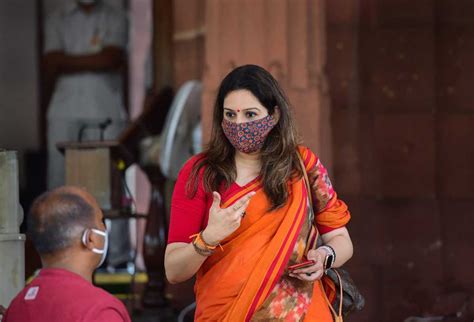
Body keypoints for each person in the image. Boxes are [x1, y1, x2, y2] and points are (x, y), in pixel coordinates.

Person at [164, 65, 353, 321]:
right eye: (230, 115)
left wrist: (324, 257)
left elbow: (342, 239)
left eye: (250, 115)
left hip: (303, 312)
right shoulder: (201, 173)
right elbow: (174, 271)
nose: (239, 124)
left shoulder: (303, 167)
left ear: (274, 115)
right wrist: (208, 238)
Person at [43, 0, 130, 268]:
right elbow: (51, 61)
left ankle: (116, 258)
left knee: (111, 183)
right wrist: (96, 59)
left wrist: (69, 60)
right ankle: (59, 256)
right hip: (64, 110)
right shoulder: (58, 17)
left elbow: (113, 57)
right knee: (60, 182)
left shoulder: (116, 16)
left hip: (105, 108)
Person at [2, 186, 131, 322]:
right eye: (100, 221)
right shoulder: (100, 312)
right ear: (90, 239)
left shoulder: (17, 306)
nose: (104, 229)